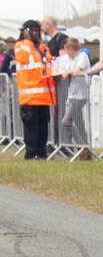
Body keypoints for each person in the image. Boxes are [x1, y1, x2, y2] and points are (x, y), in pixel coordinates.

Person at [14, 20, 54, 160]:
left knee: (43, 127)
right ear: (25, 32)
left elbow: (49, 62)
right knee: (31, 128)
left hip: (43, 97)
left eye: (37, 30)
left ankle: (41, 152)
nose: (35, 33)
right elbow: (23, 58)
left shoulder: (43, 47)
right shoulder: (20, 46)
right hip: (29, 96)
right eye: (32, 30)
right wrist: (27, 40)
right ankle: (31, 153)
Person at [55, 36, 91, 153]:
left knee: (66, 121)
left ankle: (82, 145)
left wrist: (68, 72)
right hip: (72, 94)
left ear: (71, 49)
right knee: (79, 123)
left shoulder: (82, 56)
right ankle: (85, 149)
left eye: (66, 50)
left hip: (80, 95)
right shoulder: (70, 59)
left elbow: (76, 71)